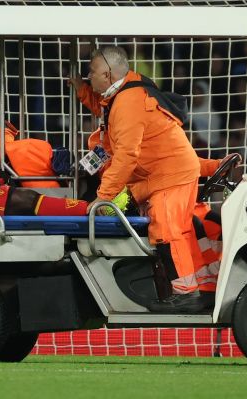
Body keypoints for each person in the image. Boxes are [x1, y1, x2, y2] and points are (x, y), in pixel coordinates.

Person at [71, 45, 205, 312]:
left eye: (92, 72)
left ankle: (187, 293)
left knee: (165, 230)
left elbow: (126, 158)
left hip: (170, 177)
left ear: (107, 75)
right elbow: (104, 107)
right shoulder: (129, 89)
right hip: (153, 178)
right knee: (119, 209)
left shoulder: (128, 103)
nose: (89, 75)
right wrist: (83, 91)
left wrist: (103, 197)